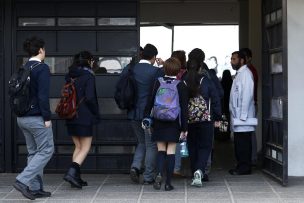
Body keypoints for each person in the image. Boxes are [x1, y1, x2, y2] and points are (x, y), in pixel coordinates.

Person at [13, 36, 54, 200]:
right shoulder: (41, 68)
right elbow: (43, 97)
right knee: (46, 150)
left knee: (33, 152)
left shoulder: (24, 67)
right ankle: (22, 181)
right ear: (41, 50)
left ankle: (35, 188)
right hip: (36, 117)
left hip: (21, 118)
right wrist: (47, 117)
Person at [144, 57, 188, 191]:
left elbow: (150, 101)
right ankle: (168, 183)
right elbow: (184, 108)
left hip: (159, 121)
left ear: (165, 69)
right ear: (178, 70)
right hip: (174, 122)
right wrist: (184, 128)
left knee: (161, 150)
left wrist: (146, 117)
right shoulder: (181, 85)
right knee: (171, 152)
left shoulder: (157, 82)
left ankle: (158, 174)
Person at [126, 44, 164, 185]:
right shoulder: (156, 71)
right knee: (151, 145)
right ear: (154, 57)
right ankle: (148, 177)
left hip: (132, 113)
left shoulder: (130, 69)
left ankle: (135, 167)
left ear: (142, 55)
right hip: (148, 115)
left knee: (141, 142)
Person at [63, 51, 100, 188]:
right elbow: (90, 97)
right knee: (85, 147)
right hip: (84, 116)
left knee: (78, 146)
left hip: (70, 114)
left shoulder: (70, 75)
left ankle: (76, 178)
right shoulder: (89, 76)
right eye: (92, 60)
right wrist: (96, 112)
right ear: (89, 61)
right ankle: (71, 173)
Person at [185, 59, 221, 187]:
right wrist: (217, 117)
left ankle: (194, 170)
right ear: (200, 67)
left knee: (192, 146)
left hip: (189, 120)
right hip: (206, 119)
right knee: (205, 146)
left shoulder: (184, 81)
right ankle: (200, 171)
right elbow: (216, 99)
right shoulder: (207, 81)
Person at [229, 51, 256, 175]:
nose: (231, 61)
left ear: (242, 60)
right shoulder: (239, 74)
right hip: (238, 116)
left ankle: (244, 168)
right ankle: (241, 165)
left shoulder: (246, 74)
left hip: (243, 116)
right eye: (231, 59)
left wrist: (243, 114)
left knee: (243, 143)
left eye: (234, 59)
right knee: (239, 143)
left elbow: (247, 95)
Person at [240, 48, 259, 165]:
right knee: (248, 133)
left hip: (249, 105)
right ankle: (250, 158)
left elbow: (248, 92)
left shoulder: (249, 71)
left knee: (249, 133)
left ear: (249, 58)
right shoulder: (245, 71)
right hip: (247, 105)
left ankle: (252, 158)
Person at [171, 50, 187, 176]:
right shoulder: (184, 75)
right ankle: (176, 167)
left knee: (165, 142)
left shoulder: (165, 75)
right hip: (180, 110)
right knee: (178, 140)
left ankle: (166, 168)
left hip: (166, 110)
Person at [219, 69, 233, 140]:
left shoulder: (221, 83)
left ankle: (223, 136)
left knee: (223, 120)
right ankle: (228, 135)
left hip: (223, 105)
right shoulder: (232, 83)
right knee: (229, 120)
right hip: (229, 104)